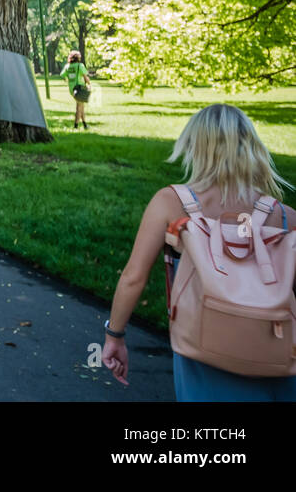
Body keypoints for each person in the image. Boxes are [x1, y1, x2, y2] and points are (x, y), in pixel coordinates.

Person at [102, 104, 296, 399]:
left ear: (194, 146)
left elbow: (133, 277)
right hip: (275, 352)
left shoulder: (171, 203)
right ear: (252, 146)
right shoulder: (284, 217)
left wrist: (114, 335)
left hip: (203, 346)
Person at [61, 50, 91, 129]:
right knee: (79, 107)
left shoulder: (68, 66)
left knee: (81, 106)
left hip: (72, 89)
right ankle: (76, 126)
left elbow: (63, 75)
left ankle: (85, 125)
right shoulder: (80, 66)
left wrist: (68, 80)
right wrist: (89, 84)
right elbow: (85, 77)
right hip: (79, 88)